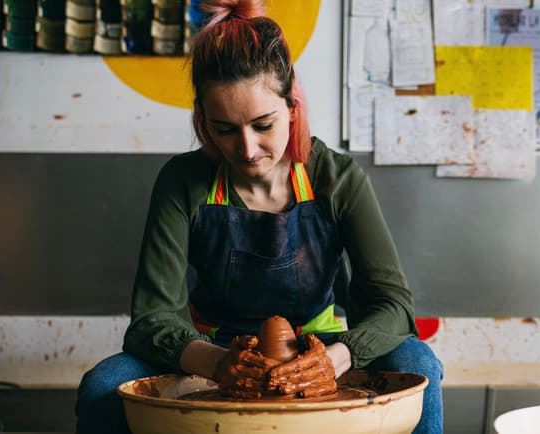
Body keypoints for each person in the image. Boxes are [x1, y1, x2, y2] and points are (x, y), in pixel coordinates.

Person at [74, 0, 443, 432]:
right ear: (203, 122)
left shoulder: (336, 179)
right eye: (224, 129)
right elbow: (151, 320)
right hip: (211, 350)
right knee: (102, 385)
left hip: (315, 347)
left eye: (262, 125)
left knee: (419, 362)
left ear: (292, 106)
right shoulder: (183, 182)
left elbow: (393, 305)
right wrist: (221, 363)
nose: (246, 150)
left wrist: (333, 358)